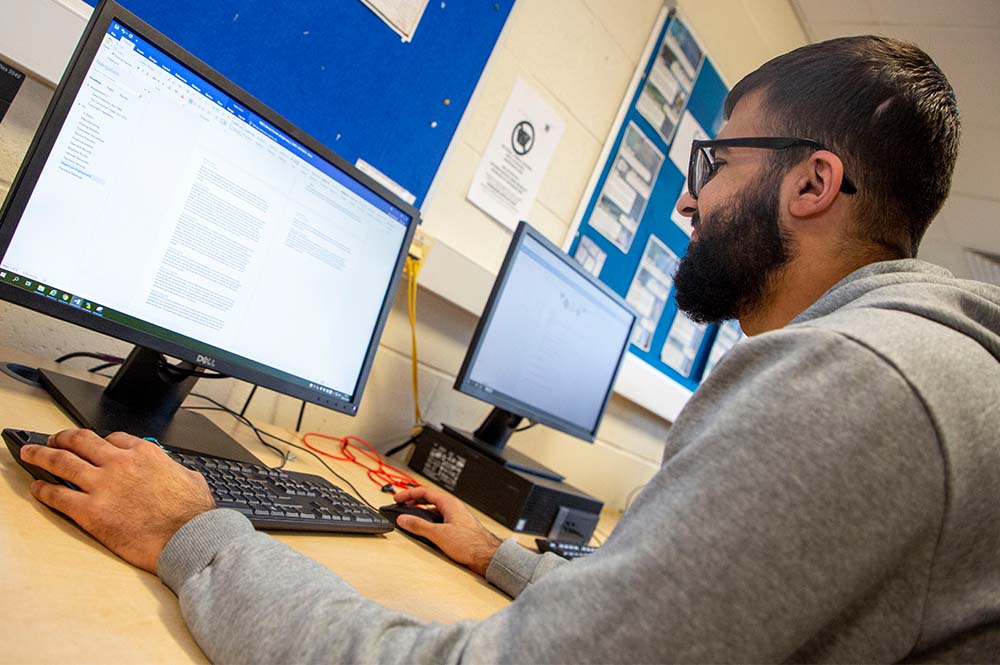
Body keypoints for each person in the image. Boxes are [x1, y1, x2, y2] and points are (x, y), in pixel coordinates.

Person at [18, 35, 1000, 662]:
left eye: (714, 160)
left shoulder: (853, 383)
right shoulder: (919, 366)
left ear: (811, 183)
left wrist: (197, 534)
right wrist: (500, 555)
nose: (690, 199)